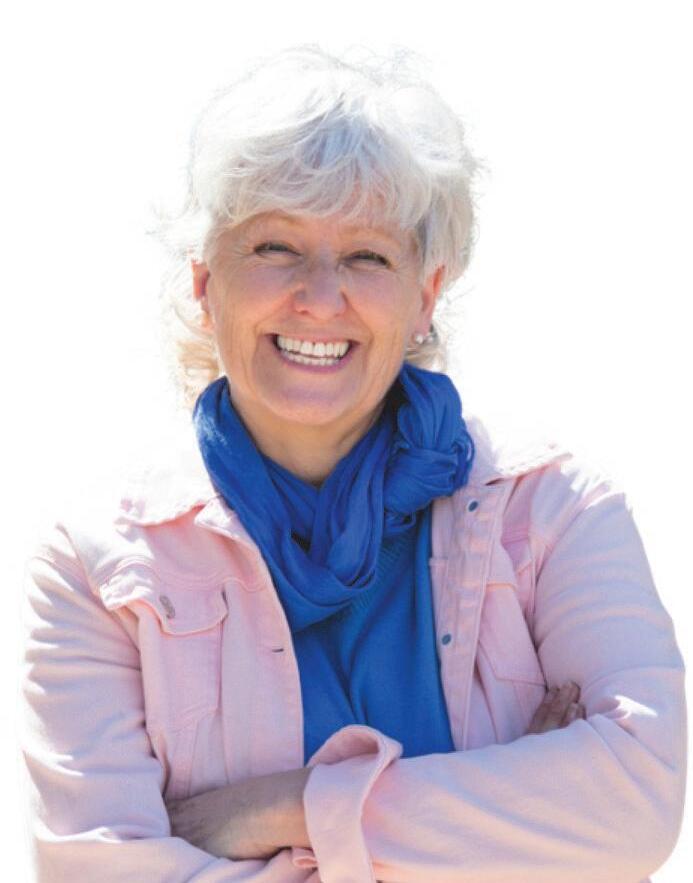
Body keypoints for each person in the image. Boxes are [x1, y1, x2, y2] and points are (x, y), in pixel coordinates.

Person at [20, 46, 686, 883]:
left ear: (424, 295)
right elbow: (99, 872)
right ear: (203, 282)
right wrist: (514, 822)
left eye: (367, 256)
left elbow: (634, 804)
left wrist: (283, 808)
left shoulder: (555, 510)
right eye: (274, 247)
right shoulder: (99, 567)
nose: (319, 295)